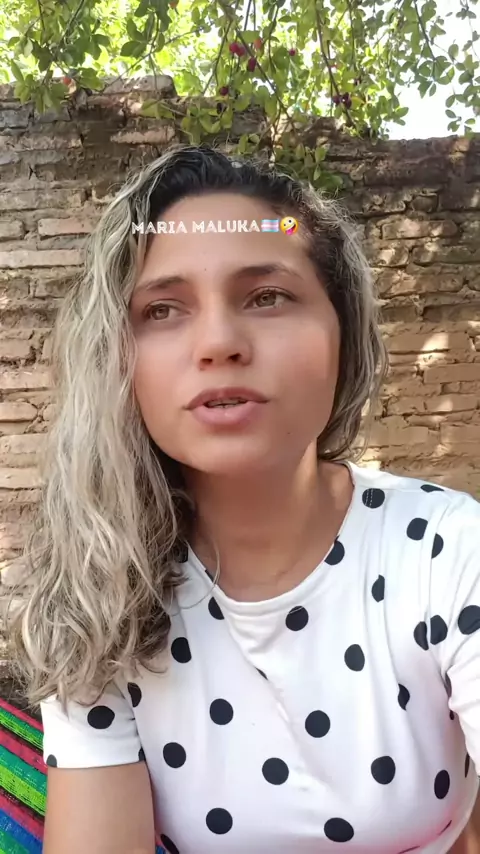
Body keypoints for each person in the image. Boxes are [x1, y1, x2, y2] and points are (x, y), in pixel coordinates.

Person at [4, 143, 480, 854]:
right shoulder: (96, 593)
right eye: (163, 309)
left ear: (343, 333)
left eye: (267, 297)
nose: (219, 342)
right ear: (116, 361)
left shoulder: (449, 551)